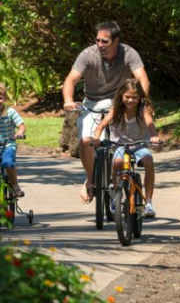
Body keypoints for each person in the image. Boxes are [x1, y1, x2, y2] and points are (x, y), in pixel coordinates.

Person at [61, 21, 151, 202]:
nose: (100, 45)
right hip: (92, 103)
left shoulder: (129, 53)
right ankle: (90, 180)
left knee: (119, 143)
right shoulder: (88, 55)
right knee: (86, 141)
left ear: (116, 41)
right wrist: (68, 100)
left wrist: (143, 100)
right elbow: (71, 79)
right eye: (98, 41)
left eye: (105, 41)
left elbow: (142, 78)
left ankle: (119, 178)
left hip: (118, 101)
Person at [93, 79, 160, 218]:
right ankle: (116, 195)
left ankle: (148, 203)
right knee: (117, 163)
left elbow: (150, 124)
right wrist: (96, 139)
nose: (130, 100)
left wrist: (154, 136)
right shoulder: (116, 110)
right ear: (121, 96)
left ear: (140, 97)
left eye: (134, 97)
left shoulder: (143, 109)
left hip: (139, 145)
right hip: (119, 145)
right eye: (127, 97)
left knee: (148, 160)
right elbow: (101, 126)